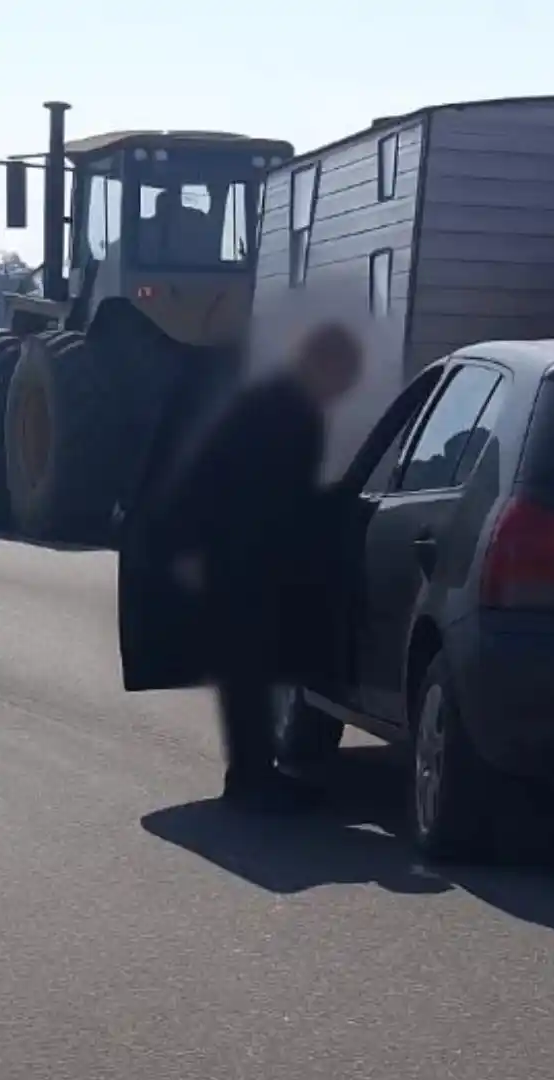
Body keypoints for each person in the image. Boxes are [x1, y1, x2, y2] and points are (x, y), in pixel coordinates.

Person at [155, 321, 364, 813]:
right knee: (246, 669)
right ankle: (250, 777)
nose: (345, 387)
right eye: (343, 375)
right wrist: (188, 544)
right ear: (321, 364)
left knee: (254, 667)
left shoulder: (295, 407)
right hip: (239, 554)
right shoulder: (275, 407)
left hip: (257, 554)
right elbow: (212, 469)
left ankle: (254, 772)